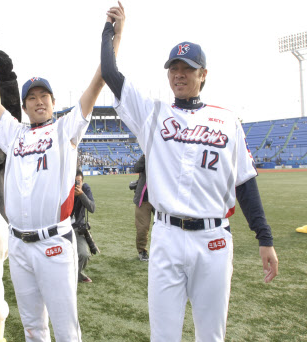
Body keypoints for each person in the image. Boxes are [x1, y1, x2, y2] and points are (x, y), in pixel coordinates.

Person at [101, 3, 278, 341]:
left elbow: (244, 182)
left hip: (213, 240)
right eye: (173, 68)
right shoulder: (152, 115)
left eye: (187, 68)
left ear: (203, 74)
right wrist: (114, 31)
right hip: (166, 236)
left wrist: (264, 238)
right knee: (163, 335)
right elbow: (111, 73)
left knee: (211, 335)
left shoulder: (227, 120)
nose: (179, 74)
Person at [0, 40, 105, 341]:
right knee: (32, 327)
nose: (38, 101)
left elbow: (96, 85)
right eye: (32, 98)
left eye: (44, 96)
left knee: (65, 328)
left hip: (53, 242)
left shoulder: (65, 130)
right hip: (18, 244)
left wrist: (112, 40)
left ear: (53, 102)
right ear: (25, 106)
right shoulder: (15, 134)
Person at [71, 170, 96, 283]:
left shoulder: (85, 189)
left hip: (77, 227)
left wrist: (81, 195)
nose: (76, 184)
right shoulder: (62, 188)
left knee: (84, 254)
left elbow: (92, 208)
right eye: (74, 182)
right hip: (60, 227)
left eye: (78, 182)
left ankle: (76, 274)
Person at [132, 154, 152, 262]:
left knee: (165, 227)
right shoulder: (146, 153)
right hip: (144, 197)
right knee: (142, 227)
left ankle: (165, 251)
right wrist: (145, 156)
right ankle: (142, 251)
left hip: (162, 198)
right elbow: (136, 168)